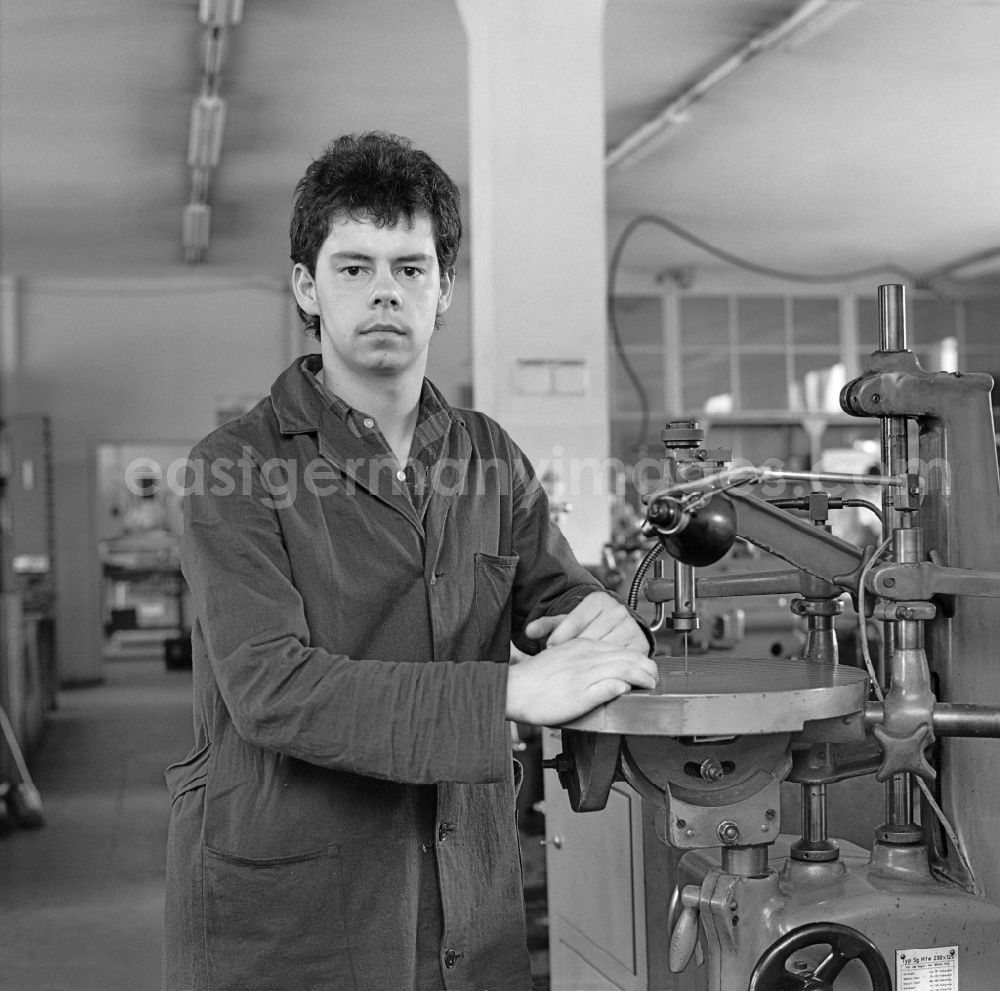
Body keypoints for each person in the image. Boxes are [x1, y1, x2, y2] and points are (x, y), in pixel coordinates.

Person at [163, 131, 658, 991]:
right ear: (305, 288)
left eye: (410, 268)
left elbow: (555, 595)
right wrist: (509, 691)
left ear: (444, 292)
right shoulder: (232, 467)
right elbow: (271, 688)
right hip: (292, 916)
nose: (385, 291)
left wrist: (597, 619)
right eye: (354, 267)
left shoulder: (487, 456)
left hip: (466, 899)